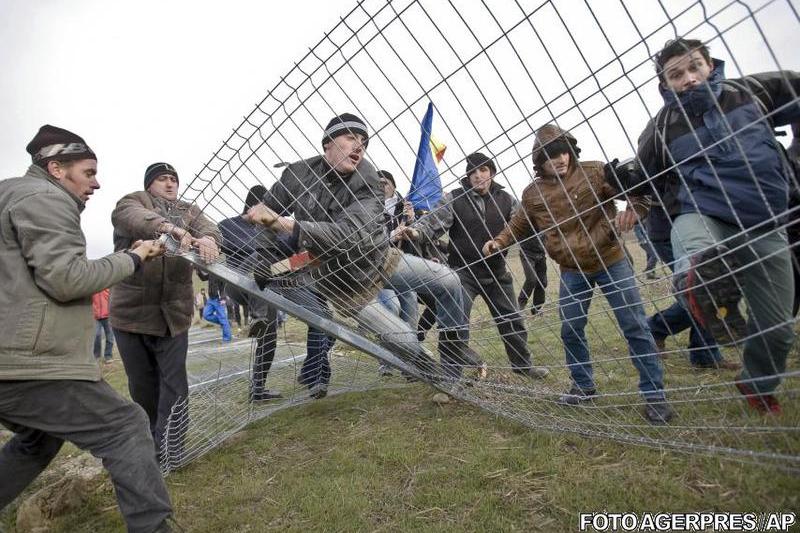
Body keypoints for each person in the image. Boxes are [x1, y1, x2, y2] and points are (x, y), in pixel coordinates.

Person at [0, 125, 174, 532]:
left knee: (38, 438)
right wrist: (132, 257)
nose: (96, 182)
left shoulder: (9, 195)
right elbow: (66, 278)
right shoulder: (45, 199)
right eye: (89, 171)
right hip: (29, 363)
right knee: (126, 425)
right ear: (56, 168)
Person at [244, 113, 477, 392]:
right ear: (327, 143)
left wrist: (283, 223)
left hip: (379, 259)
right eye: (351, 138)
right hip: (344, 284)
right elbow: (266, 217)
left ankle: (453, 364)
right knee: (405, 341)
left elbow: (350, 235)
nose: (359, 147)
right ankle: (433, 374)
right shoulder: (296, 174)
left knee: (450, 281)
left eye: (364, 143)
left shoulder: (368, 177)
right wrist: (264, 258)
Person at [634, 38, 800, 413]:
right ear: (665, 84)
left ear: (710, 64)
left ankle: (757, 383)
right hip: (703, 213)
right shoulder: (661, 128)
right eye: (676, 75)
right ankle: (701, 284)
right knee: (696, 251)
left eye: (694, 68)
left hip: (767, 222)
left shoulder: (752, 91)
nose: (688, 79)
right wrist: (631, 194)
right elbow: (640, 177)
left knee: (778, 328)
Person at [484, 124, 673, 424]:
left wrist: (635, 211)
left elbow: (637, 191)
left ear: (570, 150)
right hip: (572, 271)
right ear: (539, 160)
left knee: (635, 326)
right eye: (550, 155)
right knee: (570, 329)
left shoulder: (596, 171)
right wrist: (499, 241)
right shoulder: (533, 194)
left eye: (563, 151)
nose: (559, 159)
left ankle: (655, 396)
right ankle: (583, 386)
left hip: (611, 260)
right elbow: (519, 224)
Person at [400, 152, 549, 380]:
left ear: (492, 172)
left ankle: (523, 365)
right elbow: (432, 223)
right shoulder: (454, 198)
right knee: (454, 324)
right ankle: (452, 375)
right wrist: (416, 230)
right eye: (473, 172)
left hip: (497, 274)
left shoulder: (507, 200)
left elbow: (523, 225)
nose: (478, 176)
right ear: (468, 176)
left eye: (483, 170)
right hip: (463, 275)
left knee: (512, 320)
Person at [111, 162, 222, 459]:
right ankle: (150, 445)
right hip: (131, 317)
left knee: (175, 386)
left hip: (173, 316)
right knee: (144, 388)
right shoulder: (133, 201)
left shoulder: (189, 210)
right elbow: (130, 217)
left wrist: (209, 239)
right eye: (162, 179)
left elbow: (209, 227)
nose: (170, 184)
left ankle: (171, 452)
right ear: (150, 184)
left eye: (174, 179)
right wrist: (169, 228)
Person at [219, 184, 298, 401]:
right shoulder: (228, 225)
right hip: (238, 282)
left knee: (269, 335)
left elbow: (288, 254)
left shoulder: (277, 229)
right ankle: (259, 317)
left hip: (265, 287)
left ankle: (258, 388)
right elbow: (227, 247)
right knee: (260, 255)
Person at [645, 200, 740, 370]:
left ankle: (701, 351)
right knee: (702, 291)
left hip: (704, 226)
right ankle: (658, 329)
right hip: (671, 230)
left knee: (706, 290)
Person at [517, 233, 548, 315]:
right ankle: (520, 305)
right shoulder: (525, 221)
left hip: (541, 253)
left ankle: (537, 308)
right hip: (527, 253)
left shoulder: (542, 220)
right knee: (531, 280)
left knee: (542, 282)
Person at [203, 276, 232, 342]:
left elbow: (224, 286)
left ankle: (227, 339)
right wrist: (198, 271)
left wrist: (223, 298)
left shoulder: (218, 272)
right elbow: (203, 278)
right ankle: (226, 323)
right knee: (206, 315)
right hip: (211, 299)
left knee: (223, 319)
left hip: (218, 299)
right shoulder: (210, 272)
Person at [93, 288, 114, 364]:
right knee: (97, 335)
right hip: (95, 316)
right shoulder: (93, 287)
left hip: (108, 316)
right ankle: (96, 355)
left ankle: (108, 356)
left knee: (110, 337)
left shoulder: (108, 287)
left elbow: (112, 299)